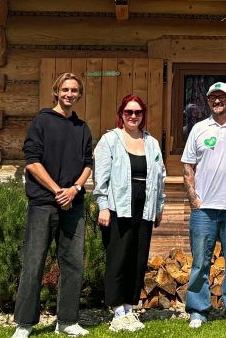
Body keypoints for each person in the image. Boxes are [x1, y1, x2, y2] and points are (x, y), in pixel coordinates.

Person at [13, 73, 93, 338]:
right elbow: (32, 162)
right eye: (65, 89)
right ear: (56, 92)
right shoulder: (42, 121)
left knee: (73, 263)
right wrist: (58, 190)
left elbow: (87, 164)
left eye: (74, 90)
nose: (69, 94)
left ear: (79, 94)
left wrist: (74, 190)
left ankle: (67, 321)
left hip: (73, 205)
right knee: (34, 262)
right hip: (44, 204)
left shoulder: (82, 128)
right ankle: (24, 323)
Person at [93, 95, 167, 333]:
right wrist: (103, 205)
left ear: (143, 115)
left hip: (145, 205)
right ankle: (117, 312)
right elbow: (100, 177)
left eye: (137, 112)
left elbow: (160, 177)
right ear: (121, 114)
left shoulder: (152, 142)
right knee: (119, 257)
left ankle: (129, 309)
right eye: (128, 112)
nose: (133, 116)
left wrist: (158, 207)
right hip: (119, 205)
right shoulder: (110, 140)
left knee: (137, 257)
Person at [181, 82, 226, 329]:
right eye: (213, 97)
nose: (217, 101)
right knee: (200, 262)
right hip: (203, 209)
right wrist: (194, 200)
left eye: (222, 97)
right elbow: (188, 166)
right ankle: (198, 310)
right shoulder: (198, 129)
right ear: (208, 102)